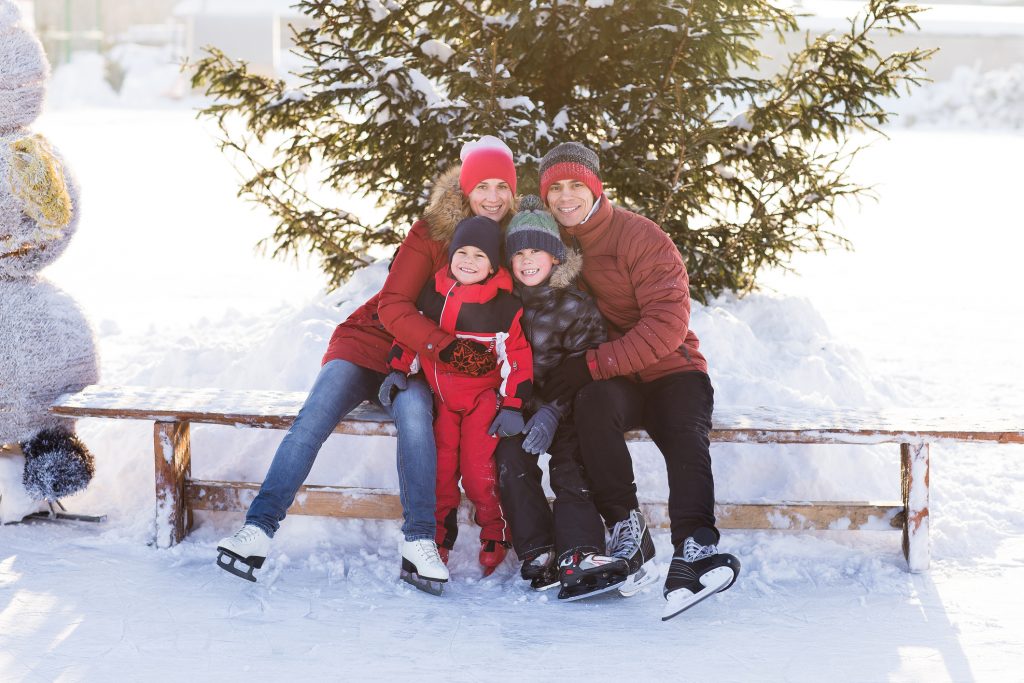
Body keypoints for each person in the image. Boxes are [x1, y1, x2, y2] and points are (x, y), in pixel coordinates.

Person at [215, 135, 519, 596]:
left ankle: (419, 541)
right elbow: (394, 306)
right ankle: (258, 528)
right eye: (483, 186)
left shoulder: (511, 243)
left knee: (416, 418)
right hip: (371, 343)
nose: (493, 197)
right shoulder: (431, 232)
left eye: (502, 187)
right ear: (466, 189)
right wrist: (445, 347)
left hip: (417, 365)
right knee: (314, 417)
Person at [537, 142, 740, 618]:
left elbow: (668, 324)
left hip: (673, 369)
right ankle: (627, 525)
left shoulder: (640, 237)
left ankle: (695, 549)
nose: (566, 198)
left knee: (684, 434)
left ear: (595, 188)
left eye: (576, 186)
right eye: (555, 189)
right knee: (591, 407)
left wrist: (591, 364)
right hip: (619, 380)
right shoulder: (556, 247)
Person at [498, 195, 633, 600]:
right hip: (519, 407)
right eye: (518, 252)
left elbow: (585, 367)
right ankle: (538, 550)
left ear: (555, 256)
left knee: (572, 464)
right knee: (509, 458)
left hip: (568, 407)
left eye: (536, 250)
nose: (527, 260)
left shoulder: (576, 305)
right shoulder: (500, 303)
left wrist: (554, 413)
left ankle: (580, 551)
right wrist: (513, 408)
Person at [384, 216, 532, 577]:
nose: (468, 260)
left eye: (479, 256)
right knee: (443, 471)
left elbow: (518, 359)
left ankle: (496, 531)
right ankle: (437, 537)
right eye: (461, 252)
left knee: (477, 471)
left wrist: (512, 404)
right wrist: (398, 369)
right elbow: (412, 338)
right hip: (442, 402)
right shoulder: (432, 295)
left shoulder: (503, 306)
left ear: (493, 264)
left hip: (482, 402)